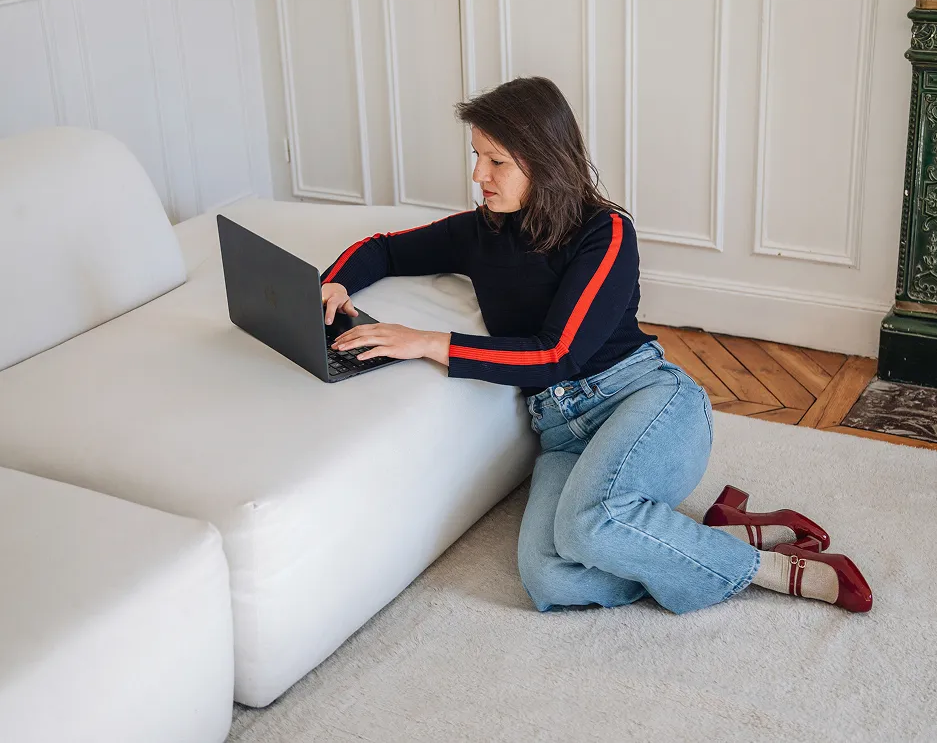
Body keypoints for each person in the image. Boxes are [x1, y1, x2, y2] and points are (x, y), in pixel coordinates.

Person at [320, 76, 872, 614]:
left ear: (544, 160)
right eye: (477, 156)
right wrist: (334, 282)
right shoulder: (479, 232)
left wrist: (426, 342)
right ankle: (714, 535)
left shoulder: (605, 233)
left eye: (496, 161)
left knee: (589, 526)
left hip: (647, 402)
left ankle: (778, 571)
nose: (477, 174)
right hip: (563, 436)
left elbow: (557, 354)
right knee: (548, 577)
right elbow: (384, 249)